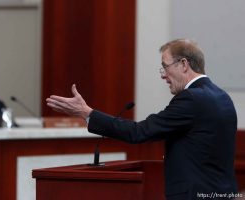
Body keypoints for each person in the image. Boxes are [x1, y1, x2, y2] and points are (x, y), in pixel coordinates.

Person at [46, 39, 238, 200]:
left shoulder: (191, 99)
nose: (163, 76)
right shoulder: (222, 97)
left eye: (165, 67)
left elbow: (139, 132)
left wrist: (87, 113)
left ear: (184, 64)